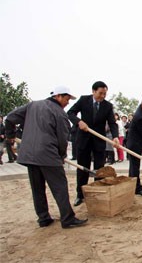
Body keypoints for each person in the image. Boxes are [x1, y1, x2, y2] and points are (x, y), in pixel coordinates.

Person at [4, 86, 87, 228]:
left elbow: (10, 118)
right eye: (67, 99)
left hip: (30, 155)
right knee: (60, 186)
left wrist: (10, 135)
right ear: (58, 96)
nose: (68, 103)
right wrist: (61, 156)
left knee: (37, 188)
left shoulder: (32, 105)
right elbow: (62, 139)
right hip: (48, 155)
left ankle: (43, 218)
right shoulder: (60, 113)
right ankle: (67, 218)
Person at [67, 81, 119, 206]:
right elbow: (70, 113)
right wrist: (79, 122)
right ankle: (80, 194)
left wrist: (115, 137)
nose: (102, 96)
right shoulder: (84, 100)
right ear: (93, 91)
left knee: (100, 169)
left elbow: (112, 123)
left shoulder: (107, 106)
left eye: (105, 94)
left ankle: (98, 194)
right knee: (82, 168)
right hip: (84, 139)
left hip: (99, 141)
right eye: (100, 93)